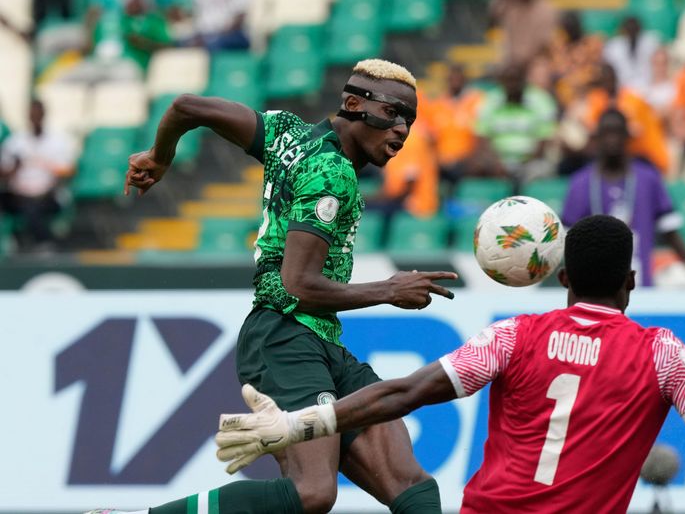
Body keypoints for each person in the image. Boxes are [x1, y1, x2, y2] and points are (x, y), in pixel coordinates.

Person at [213, 214, 685, 514]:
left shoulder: (513, 337)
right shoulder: (664, 356)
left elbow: (406, 392)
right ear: (631, 283)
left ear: (561, 279)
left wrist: (300, 426)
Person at [89, 60, 457, 514]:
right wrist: (389, 290)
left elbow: (187, 107)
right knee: (312, 491)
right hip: (284, 335)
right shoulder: (331, 173)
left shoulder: (286, 132)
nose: (401, 129)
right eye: (392, 112)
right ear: (352, 103)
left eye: (409, 119)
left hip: (318, 339)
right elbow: (297, 284)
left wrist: (159, 156)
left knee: (414, 489)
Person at [562, 108, 685, 287]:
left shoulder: (648, 178)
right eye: (606, 133)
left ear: (627, 136)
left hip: (641, 283)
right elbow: (568, 240)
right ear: (597, 137)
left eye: (617, 132)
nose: (612, 139)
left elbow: (671, 233)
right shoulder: (580, 182)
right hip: (595, 287)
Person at [0, 99, 77, 252]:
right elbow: (3, 172)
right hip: (19, 195)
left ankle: (45, 244)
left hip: (47, 195)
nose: (35, 118)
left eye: (38, 114)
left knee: (32, 208)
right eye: (32, 114)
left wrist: (50, 181)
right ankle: (14, 241)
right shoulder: (16, 142)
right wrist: (15, 167)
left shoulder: (58, 141)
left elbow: (69, 171)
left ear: (44, 115)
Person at [580, 63, 671, 174]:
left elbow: (637, 130)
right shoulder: (598, 98)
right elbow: (590, 126)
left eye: (607, 79)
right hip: (620, 157)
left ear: (614, 79)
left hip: (645, 154)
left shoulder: (631, 99)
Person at [474, 64, 557, 182]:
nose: (512, 84)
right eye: (508, 80)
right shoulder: (490, 100)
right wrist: (496, 162)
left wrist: (525, 163)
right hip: (498, 162)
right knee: (476, 167)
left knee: (541, 170)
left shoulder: (540, 99)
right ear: (501, 82)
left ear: (523, 80)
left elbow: (544, 139)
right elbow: (482, 138)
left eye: (515, 80)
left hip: (531, 161)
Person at [421, 65, 484, 185]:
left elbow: (481, 134)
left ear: (464, 80)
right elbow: (431, 136)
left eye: (458, 79)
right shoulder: (437, 106)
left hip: (467, 160)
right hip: (442, 161)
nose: (455, 82)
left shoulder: (476, 101)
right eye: (452, 79)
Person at [488, 0, 559, 70]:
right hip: (509, 61)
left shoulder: (545, 8)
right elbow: (492, 21)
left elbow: (544, 47)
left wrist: (519, 66)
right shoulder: (509, 3)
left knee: (539, 71)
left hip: (534, 63)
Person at [186, 0, 251, 51]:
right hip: (205, 34)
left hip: (233, 34)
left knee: (212, 44)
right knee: (186, 43)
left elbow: (241, 14)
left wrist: (217, 34)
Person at [603, 15, 661, 92]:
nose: (632, 31)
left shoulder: (651, 42)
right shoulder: (614, 46)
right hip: (621, 90)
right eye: (629, 29)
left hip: (648, 89)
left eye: (634, 28)